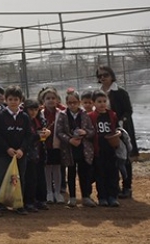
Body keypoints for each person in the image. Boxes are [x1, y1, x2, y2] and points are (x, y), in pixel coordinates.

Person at [0, 85, 31, 217]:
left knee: (20, 179)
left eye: (16, 99)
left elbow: (28, 136)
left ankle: (19, 205)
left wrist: (22, 150)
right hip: (4, 154)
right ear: (5, 100)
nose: (13, 102)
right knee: (0, 177)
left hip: (20, 155)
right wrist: (7, 148)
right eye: (10, 99)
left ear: (20, 100)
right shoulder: (0, 116)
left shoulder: (25, 117)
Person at [97, 65, 137, 198]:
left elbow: (128, 111)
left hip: (120, 129)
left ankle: (127, 187)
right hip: (105, 130)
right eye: (100, 76)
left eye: (105, 75)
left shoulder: (120, 92)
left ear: (112, 76)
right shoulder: (98, 93)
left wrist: (120, 122)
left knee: (124, 158)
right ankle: (114, 187)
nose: (103, 78)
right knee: (110, 159)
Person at [56, 89, 96, 208]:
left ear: (79, 102)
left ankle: (86, 196)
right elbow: (59, 132)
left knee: (84, 173)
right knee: (71, 173)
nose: (72, 105)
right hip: (69, 149)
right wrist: (69, 140)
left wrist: (85, 132)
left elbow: (92, 130)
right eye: (70, 103)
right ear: (66, 103)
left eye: (75, 102)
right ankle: (72, 197)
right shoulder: (63, 115)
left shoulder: (84, 114)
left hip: (83, 149)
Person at [88, 90, 121, 207]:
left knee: (113, 173)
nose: (102, 104)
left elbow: (117, 128)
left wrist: (118, 134)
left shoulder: (112, 115)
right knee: (100, 174)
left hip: (111, 149)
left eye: (104, 101)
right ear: (93, 103)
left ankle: (112, 196)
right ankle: (102, 197)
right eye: (99, 101)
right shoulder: (91, 116)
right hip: (98, 150)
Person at [39, 87, 64, 204]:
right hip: (44, 146)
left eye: (53, 98)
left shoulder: (61, 113)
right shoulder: (40, 113)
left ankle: (57, 192)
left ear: (57, 100)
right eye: (48, 98)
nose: (51, 100)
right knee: (47, 168)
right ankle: (49, 191)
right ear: (43, 100)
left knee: (57, 168)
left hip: (57, 145)